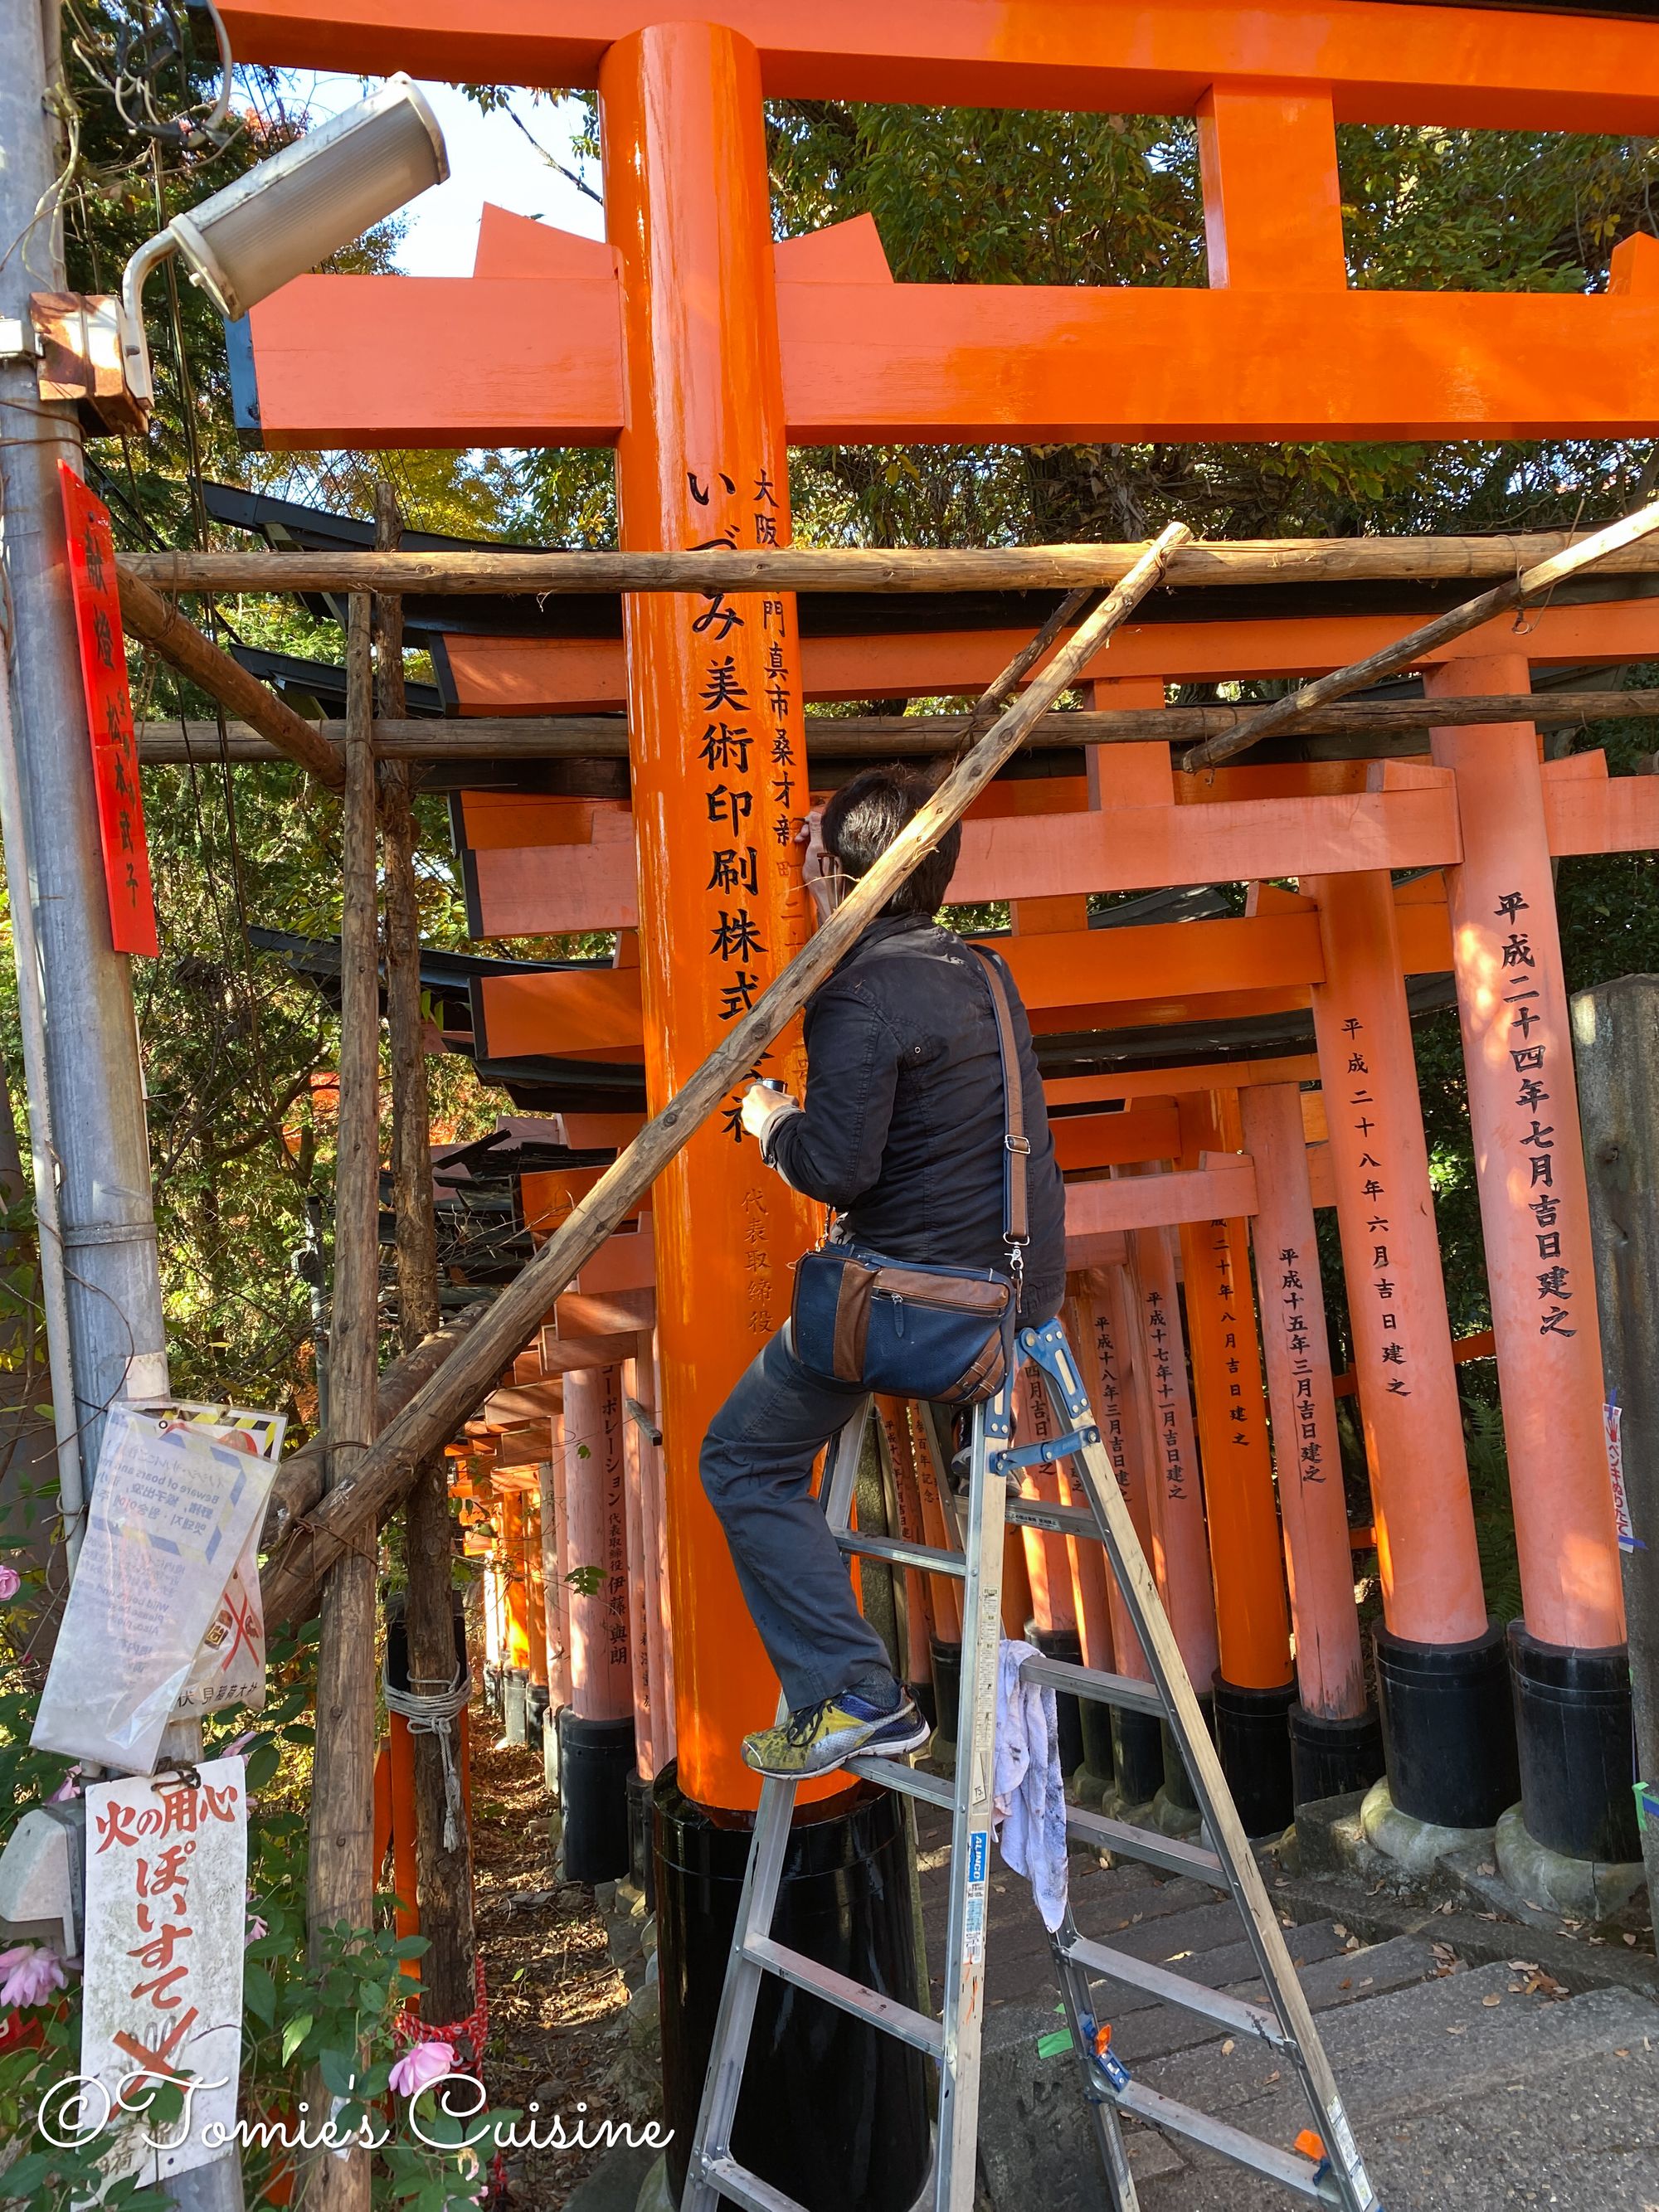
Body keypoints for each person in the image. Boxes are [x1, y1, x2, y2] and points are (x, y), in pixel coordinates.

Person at [700, 764, 1066, 1780]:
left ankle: (856, 1691)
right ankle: (860, 1684)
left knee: (737, 1460)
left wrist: (770, 1121)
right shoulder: (983, 972)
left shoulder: (856, 993)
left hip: (915, 1310)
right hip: (1018, 1292)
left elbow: (837, 1168)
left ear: (828, 866)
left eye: (813, 847)